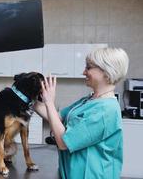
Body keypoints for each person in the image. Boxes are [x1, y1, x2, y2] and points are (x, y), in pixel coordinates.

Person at [34, 47, 129, 178]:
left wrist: (49, 102)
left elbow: (63, 142)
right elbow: (57, 118)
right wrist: (27, 97)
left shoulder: (106, 111)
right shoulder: (89, 100)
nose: (84, 72)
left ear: (106, 72)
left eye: (88, 67)